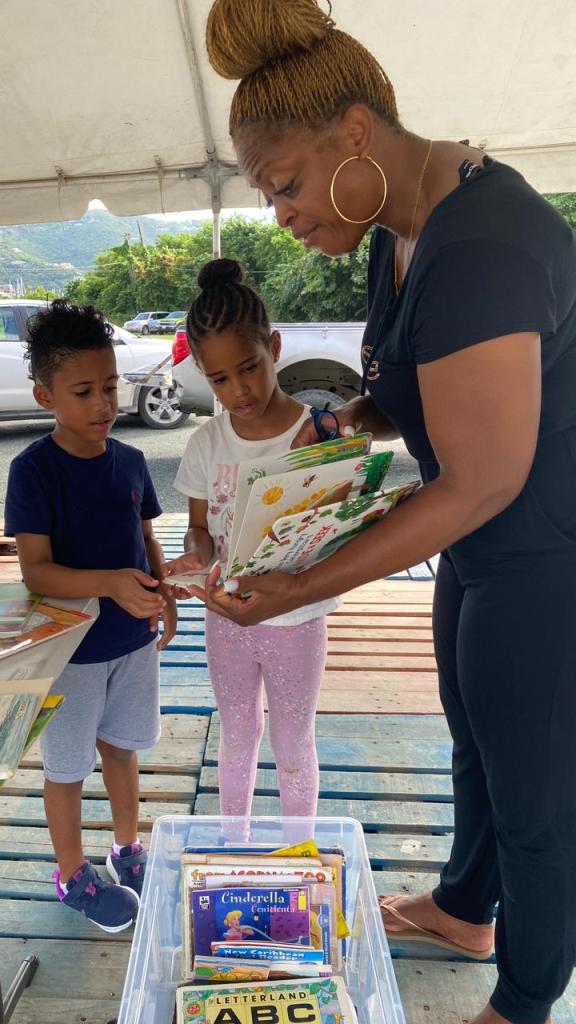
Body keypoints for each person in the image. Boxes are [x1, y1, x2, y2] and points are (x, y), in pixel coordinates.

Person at [194, 2, 576, 1022]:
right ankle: (464, 907)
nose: (280, 213)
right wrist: (353, 420)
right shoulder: (397, 232)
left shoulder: (483, 243)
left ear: (354, 135)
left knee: (537, 794)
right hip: (479, 549)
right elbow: (420, 389)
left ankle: (528, 995)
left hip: (544, 551)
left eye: (283, 184)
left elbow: (484, 475)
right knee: (476, 738)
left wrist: (306, 585)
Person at [4, 299, 176, 933]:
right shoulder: (33, 471)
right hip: (70, 650)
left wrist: (164, 592)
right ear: (44, 396)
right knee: (69, 767)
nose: (103, 403)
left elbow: (145, 536)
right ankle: (71, 872)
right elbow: (36, 572)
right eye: (83, 392)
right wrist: (107, 585)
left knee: (124, 749)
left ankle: (127, 848)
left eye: (110, 386)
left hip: (132, 639)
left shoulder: (130, 461)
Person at [166, 258, 338, 832]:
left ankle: (299, 848)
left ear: (275, 348)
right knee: (237, 732)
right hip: (226, 616)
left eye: (249, 368)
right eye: (219, 379)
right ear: (202, 374)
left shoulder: (315, 434)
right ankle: (232, 841)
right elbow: (200, 527)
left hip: (298, 617)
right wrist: (197, 556)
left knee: (294, 741)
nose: (238, 390)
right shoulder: (205, 443)